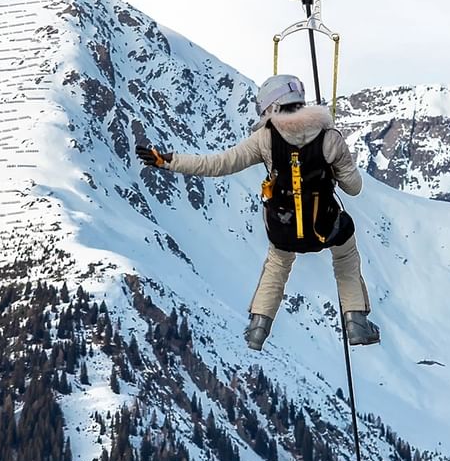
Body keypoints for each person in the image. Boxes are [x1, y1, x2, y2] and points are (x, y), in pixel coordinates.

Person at [135, 74, 379, 350]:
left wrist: (168, 161)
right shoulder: (330, 138)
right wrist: (333, 167)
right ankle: (357, 324)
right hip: (325, 227)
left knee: (277, 265)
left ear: (270, 106)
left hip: (283, 227)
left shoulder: (264, 138)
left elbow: (218, 164)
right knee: (345, 257)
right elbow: (354, 188)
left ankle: (257, 330)